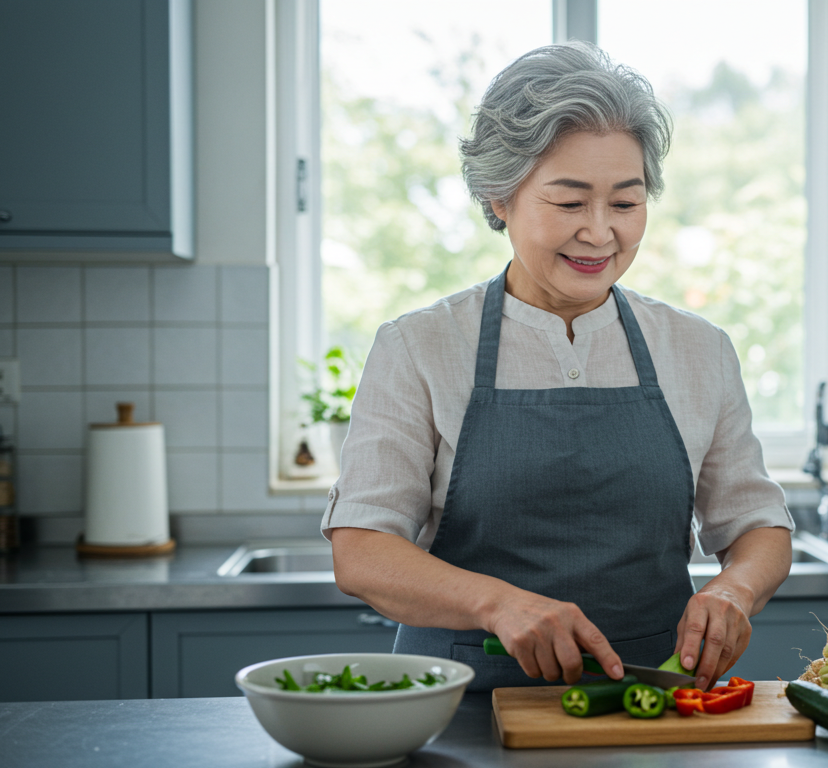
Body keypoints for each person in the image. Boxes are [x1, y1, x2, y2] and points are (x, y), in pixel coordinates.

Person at [323, 41, 793, 693]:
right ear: (498, 197)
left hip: (651, 706)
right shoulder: (421, 346)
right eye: (570, 203)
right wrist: (496, 603)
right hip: (457, 710)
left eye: (625, 204)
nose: (601, 233)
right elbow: (362, 552)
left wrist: (735, 592)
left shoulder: (697, 349)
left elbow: (757, 525)